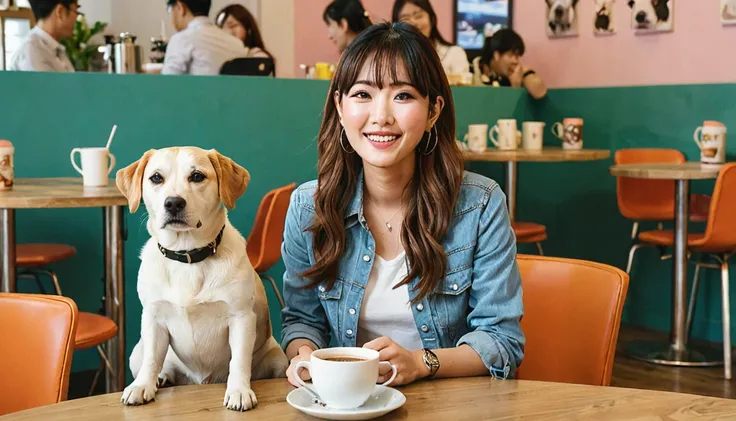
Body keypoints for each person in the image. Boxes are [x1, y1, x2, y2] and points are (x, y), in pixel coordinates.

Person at [281, 22, 524, 387]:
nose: (381, 116)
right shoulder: (308, 207)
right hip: (351, 402)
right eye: (362, 94)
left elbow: (501, 342)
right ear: (339, 105)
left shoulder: (480, 205)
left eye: (403, 95)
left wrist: (420, 363)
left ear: (433, 111)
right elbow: (303, 322)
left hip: (450, 403)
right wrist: (304, 359)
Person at [162, 0, 246, 76]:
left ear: (180, 8)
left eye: (170, 10)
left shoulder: (181, 39)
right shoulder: (237, 44)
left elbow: (168, 86)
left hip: (195, 93)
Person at [392, 0, 469, 76]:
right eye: (405, 19)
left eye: (418, 16)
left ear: (432, 19)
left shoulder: (454, 53)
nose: (413, 22)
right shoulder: (392, 58)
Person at [8, 0, 79, 72]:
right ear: (60, 12)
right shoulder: (32, 51)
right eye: (76, 11)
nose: (77, 17)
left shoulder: (54, 49)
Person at [478, 28, 547, 99]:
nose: (515, 61)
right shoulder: (471, 71)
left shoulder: (512, 75)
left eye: (517, 56)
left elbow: (540, 92)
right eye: (510, 55)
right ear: (497, 55)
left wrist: (524, 76)